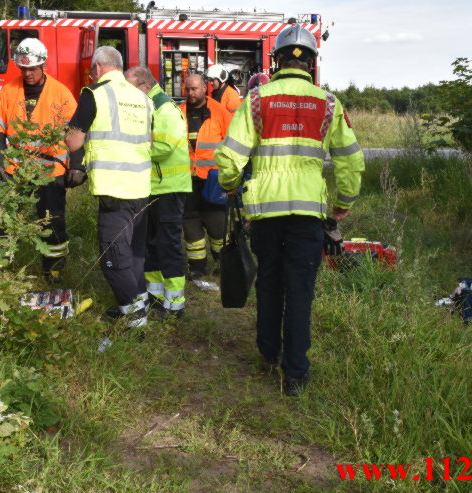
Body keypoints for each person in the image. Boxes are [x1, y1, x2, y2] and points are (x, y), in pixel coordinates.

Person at [215, 24, 365, 396]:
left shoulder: (256, 99)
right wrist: (343, 204)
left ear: (277, 59)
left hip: (265, 213)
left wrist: (231, 186)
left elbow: (230, 156)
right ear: (311, 63)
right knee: (300, 290)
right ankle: (295, 373)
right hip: (308, 214)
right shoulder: (329, 103)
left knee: (269, 280)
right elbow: (350, 161)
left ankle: (268, 354)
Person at [66, 47, 154, 344]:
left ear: (100, 68)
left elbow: (74, 140)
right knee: (133, 256)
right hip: (141, 188)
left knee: (113, 259)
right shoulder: (143, 98)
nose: (92, 75)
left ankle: (135, 320)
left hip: (114, 189)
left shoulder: (95, 94)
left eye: (93, 71)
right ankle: (137, 305)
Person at [0, 37, 82, 284]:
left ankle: (54, 271)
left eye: (32, 68)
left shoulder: (61, 93)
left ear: (44, 66)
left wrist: (78, 166)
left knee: (52, 222)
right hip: (15, 170)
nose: (27, 73)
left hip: (51, 171)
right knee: (5, 220)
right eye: (23, 68)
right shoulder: (9, 91)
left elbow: (75, 135)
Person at [125, 66, 191, 317]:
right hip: (152, 188)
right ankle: (156, 295)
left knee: (168, 244)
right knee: (150, 244)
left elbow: (163, 147)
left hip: (170, 190)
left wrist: (131, 150)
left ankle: (175, 304)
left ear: (144, 86)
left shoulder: (165, 108)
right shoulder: (151, 106)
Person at [179, 74, 232, 290]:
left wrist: (231, 176)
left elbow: (232, 144)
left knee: (217, 225)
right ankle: (197, 267)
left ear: (204, 88)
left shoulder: (219, 111)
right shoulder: (178, 112)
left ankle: (223, 262)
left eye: (194, 89)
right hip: (186, 179)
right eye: (187, 89)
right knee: (190, 226)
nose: (191, 93)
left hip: (213, 180)